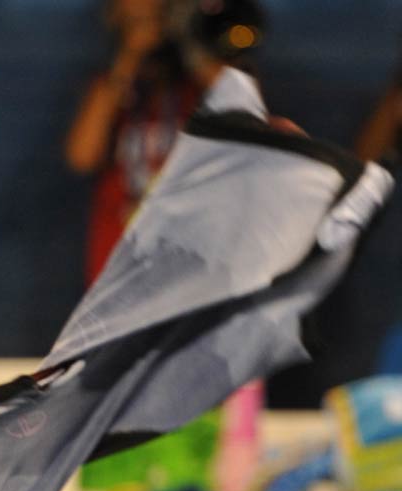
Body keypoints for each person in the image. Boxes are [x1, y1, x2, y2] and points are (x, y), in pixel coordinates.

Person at [63, 0, 264, 286]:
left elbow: (253, 131)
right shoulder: (111, 86)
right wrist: (130, 56)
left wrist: (194, 47)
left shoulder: (207, 80)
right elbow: (81, 157)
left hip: (197, 267)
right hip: (123, 271)